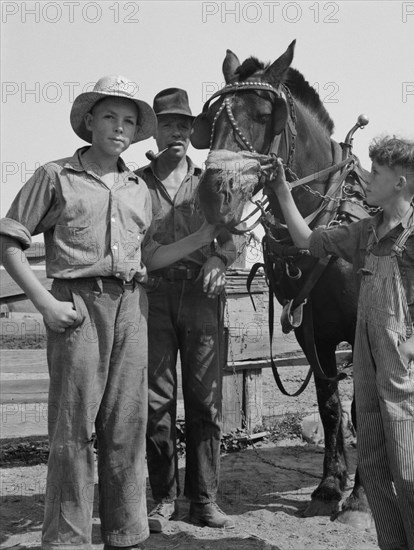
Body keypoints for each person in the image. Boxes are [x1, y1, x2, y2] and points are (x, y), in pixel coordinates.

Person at [0, 75, 218, 550]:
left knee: (127, 425)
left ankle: (127, 532)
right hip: (78, 305)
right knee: (74, 427)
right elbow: (9, 242)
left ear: (137, 130)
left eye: (128, 121)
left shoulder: (139, 186)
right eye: (109, 117)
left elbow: (151, 255)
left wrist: (202, 240)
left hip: (132, 307)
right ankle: (67, 538)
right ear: (89, 122)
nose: (118, 128)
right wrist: (46, 303)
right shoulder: (55, 176)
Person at [263, 136, 414, 550]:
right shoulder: (363, 231)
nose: (365, 178)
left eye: (376, 173)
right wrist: (282, 191)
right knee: (372, 464)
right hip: (369, 367)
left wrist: (408, 349)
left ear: (401, 182)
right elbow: (307, 241)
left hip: (407, 368)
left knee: (413, 473)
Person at [136, 88, 237, 532]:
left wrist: (219, 258)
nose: (176, 132)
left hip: (201, 298)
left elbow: (233, 235)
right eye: (168, 123)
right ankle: (161, 499)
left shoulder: (212, 182)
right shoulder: (134, 183)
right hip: (152, 298)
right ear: (154, 130)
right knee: (156, 404)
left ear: (194, 131)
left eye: (184, 124)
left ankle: (204, 500)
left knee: (205, 403)